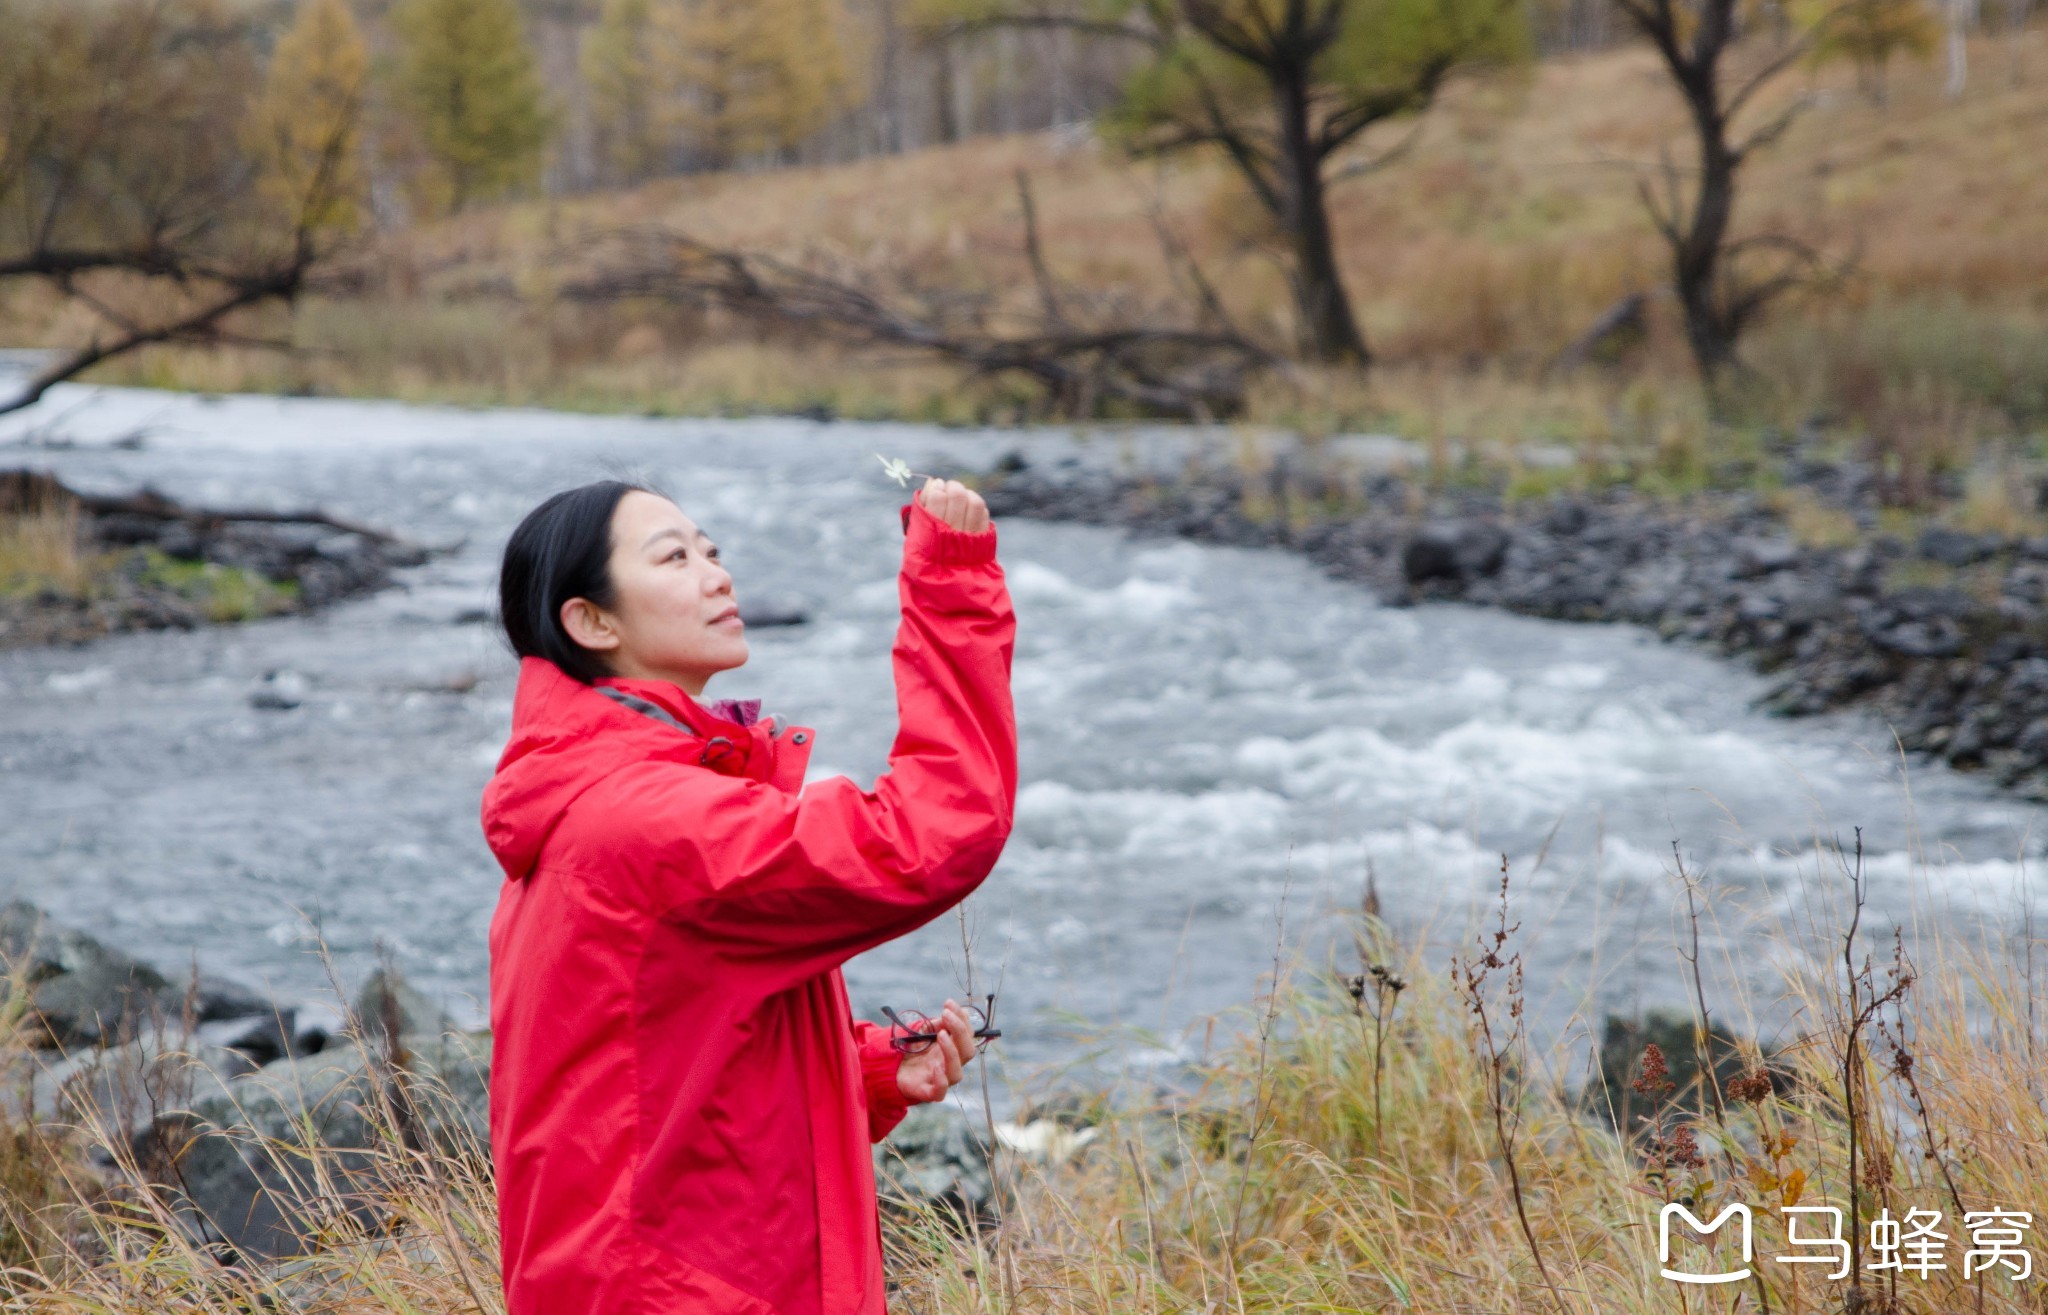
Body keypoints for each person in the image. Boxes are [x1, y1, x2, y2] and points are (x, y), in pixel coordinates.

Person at [479, 475, 1017, 1315]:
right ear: (592, 620)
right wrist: (952, 587)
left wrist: (867, 1069)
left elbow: (655, 1063)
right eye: (674, 557)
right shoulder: (646, 820)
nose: (717, 573)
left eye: (713, 550)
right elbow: (931, 835)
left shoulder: (601, 797)